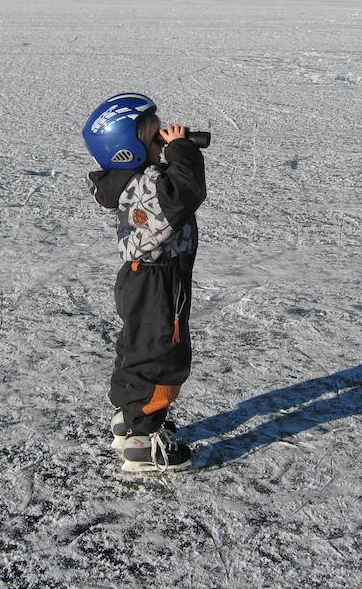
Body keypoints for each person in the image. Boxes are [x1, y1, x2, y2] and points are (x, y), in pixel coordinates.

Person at [83, 93, 206, 472]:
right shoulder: (142, 187)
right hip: (157, 283)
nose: (164, 136)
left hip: (149, 279)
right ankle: (142, 440)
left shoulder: (136, 180)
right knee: (159, 356)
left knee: (137, 349)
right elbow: (185, 192)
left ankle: (130, 418)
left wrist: (169, 150)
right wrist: (183, 150)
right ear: (127, 147)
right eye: (155, 134)